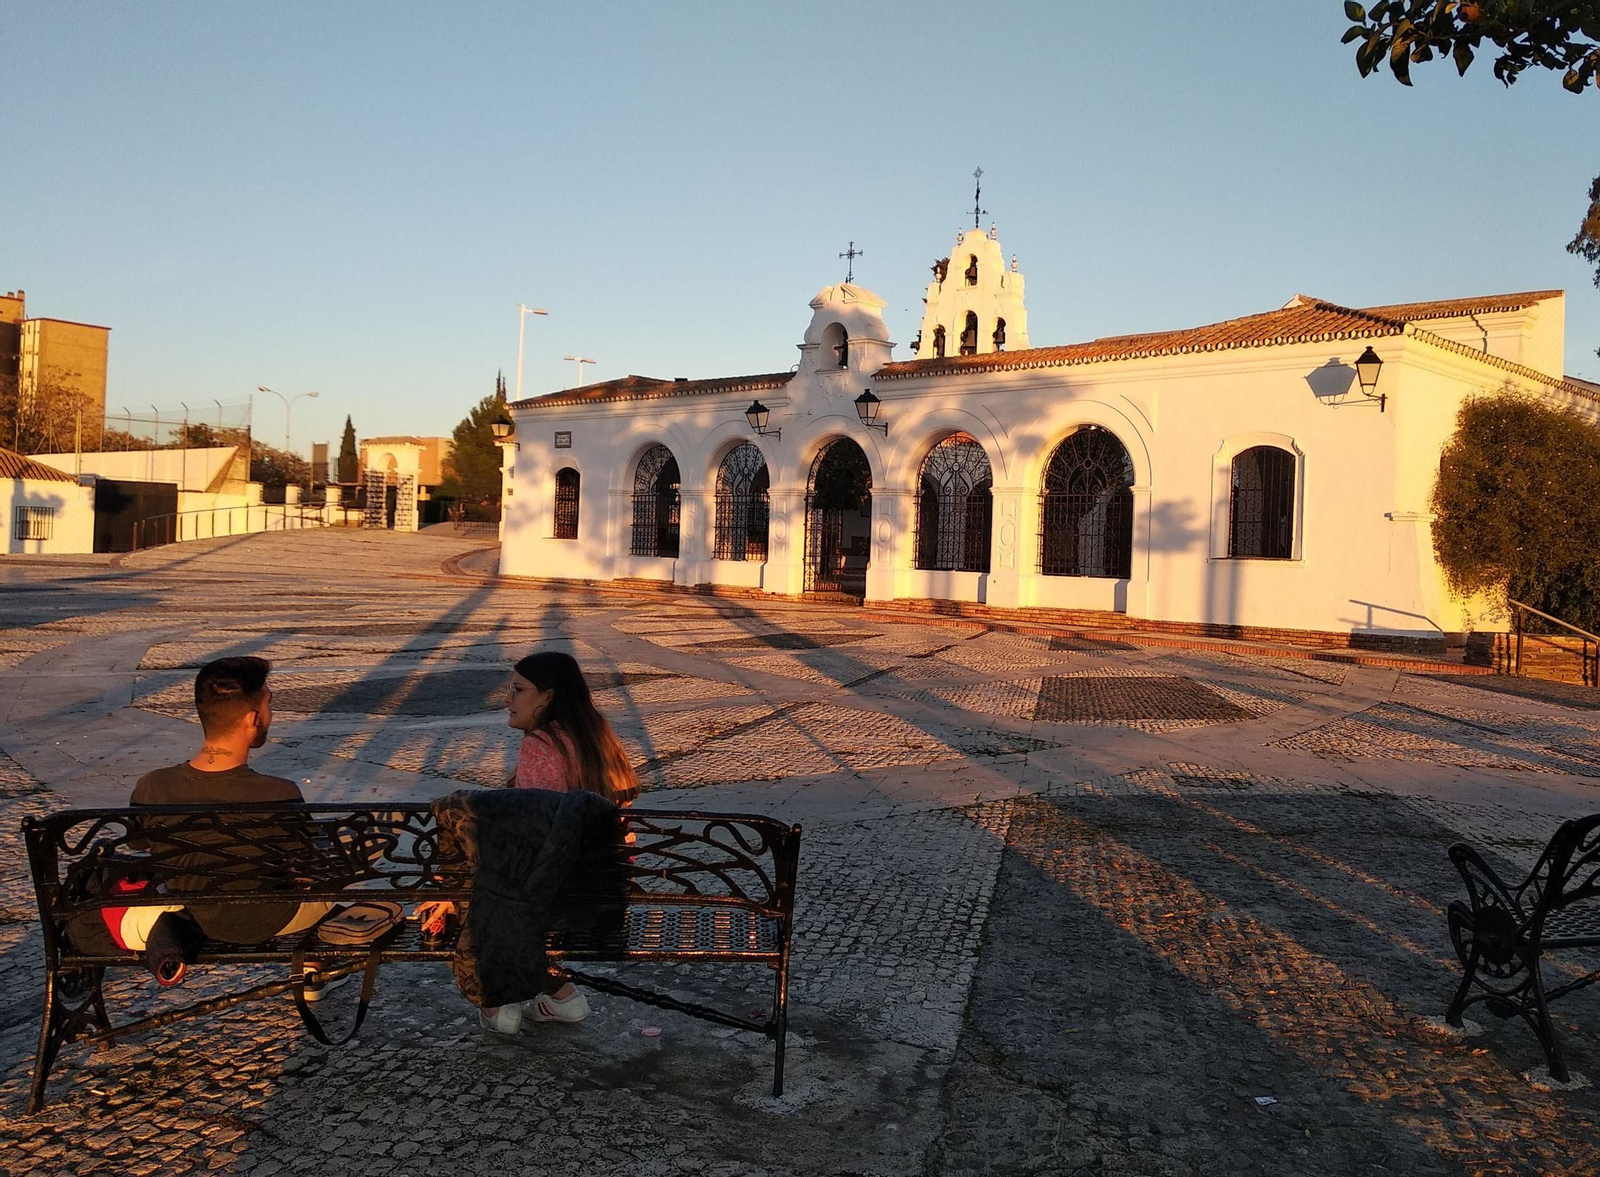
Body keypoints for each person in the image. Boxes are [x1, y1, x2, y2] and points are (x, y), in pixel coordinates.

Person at [421, 650, 640, 1035]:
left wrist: (451, 886)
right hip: (603, 895)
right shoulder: (598, 739)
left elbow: (527, 847)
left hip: (556, 899)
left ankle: (499, 1001)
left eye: (518, 689)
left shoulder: (542, 745)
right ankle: (559, 995)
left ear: (547, 697)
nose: (508, 698)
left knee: (472, 900)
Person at [130, 656, 342, 997]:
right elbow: (309, 863)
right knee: (356, 854)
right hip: (274, 918)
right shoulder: (279, 793)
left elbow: (139, 844)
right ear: (252, 718)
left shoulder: (151, 786)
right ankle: (314, 964)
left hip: (196, 914)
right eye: (268, 703)